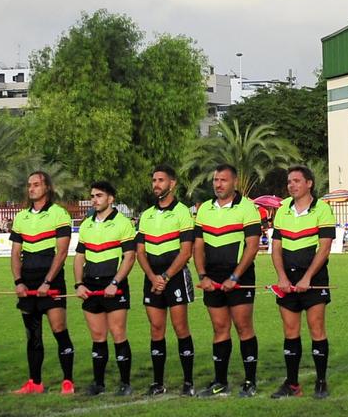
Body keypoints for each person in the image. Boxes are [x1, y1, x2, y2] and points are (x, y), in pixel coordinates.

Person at [193, 164, 263, 396]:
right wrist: (202, 276)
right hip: (212, 277)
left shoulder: (248, 208)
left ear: (234, 182)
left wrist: (235, 277)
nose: (218, 184)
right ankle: (220, 381)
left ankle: (250, 382)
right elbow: (198, 245)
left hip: (239, 277)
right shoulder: (204, 209)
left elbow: (252, 247)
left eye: (223, 180)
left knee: (243, 327)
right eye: (215, 180)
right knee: (219, 328)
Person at [270, 165, 336, 397]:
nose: (292, 185)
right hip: (288, 280)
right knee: (290, 332)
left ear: (309, 183)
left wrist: (308, 277)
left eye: (297, 181)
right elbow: (276, 248)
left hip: (314, 279)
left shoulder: (323, 210)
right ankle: (292, 384)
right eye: (289, 181)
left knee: (316, 329)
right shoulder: (281, 211)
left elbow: (325, 248)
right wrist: (282, 277)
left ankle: (320, 382)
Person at [11, 170, 76, 394]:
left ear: (47, 187)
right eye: (29, 185)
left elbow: (62, 252)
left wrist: (48, 282)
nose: (31, 189)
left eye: (36, 185)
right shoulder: (21, 217)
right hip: (27, 281)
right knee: (33, 335)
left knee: (59, 329)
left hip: (52, 280)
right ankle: (34, 383)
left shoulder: (59, 214)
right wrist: (18, 282)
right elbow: (15, 253)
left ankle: (68, 381)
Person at [137, 165, 199, 397]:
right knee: (156, 329)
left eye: (161, 180)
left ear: (172, 184)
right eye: (154, 180)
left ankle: (188, 382)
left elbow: (186, 251)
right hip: (152, 279)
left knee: (180, 327)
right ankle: (158, 382)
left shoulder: (182, 212)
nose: (156, 184)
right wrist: (153, 277)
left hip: (174, 278)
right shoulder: (146, 214)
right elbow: (140, 251)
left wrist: (164, 277)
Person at [72, 181, 139, 396]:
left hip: (114, 285)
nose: (94, 199)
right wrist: (79, 284)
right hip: (90, 285)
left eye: (99, 195)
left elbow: (130, 258)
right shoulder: (86, 224)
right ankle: (98, 383)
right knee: (98, 336)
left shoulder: (123, 223)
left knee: (118, 333)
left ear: (110, 199)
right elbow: (79, 257)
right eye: (92, 195)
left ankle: (125, 383)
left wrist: (115, 283)